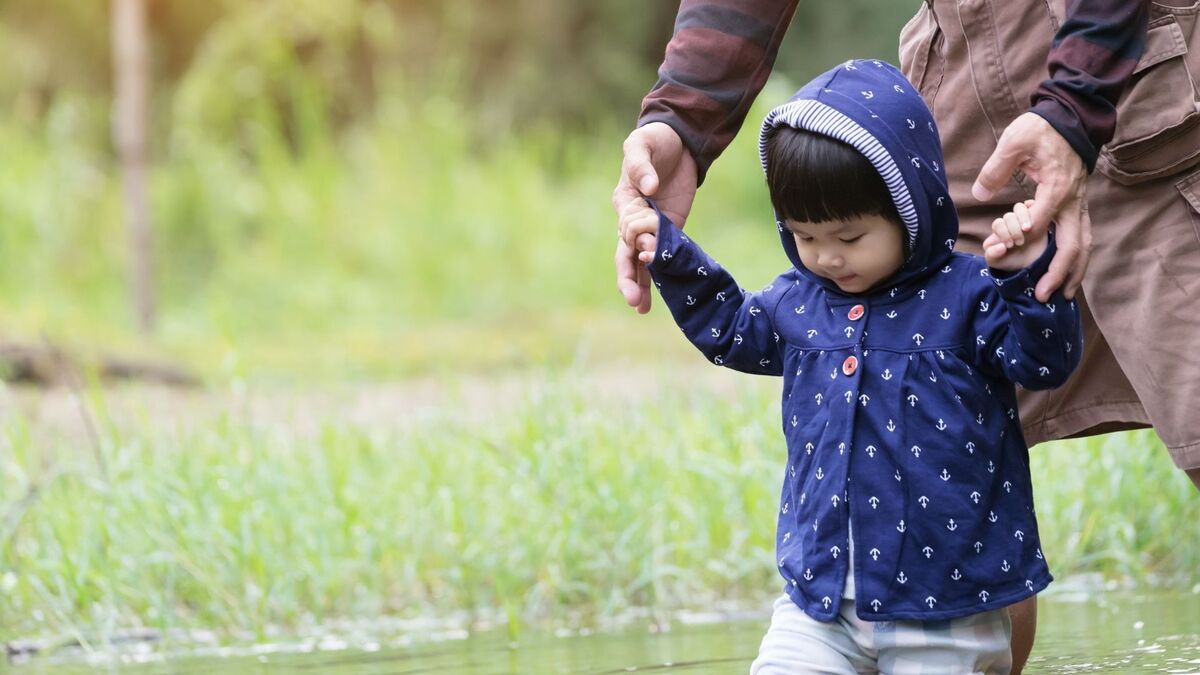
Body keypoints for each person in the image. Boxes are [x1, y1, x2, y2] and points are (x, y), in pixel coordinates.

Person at [613, 1, 1200, 670]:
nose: (827, 258)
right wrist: (672, 231)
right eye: (806, 237)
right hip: (821, 610)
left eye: (849, 237)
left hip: (1125, 43)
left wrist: (1022, 274)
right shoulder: (804, 302)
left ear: (912, 209)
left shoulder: (966, 297)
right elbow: (732, 328)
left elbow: (1043, 357)